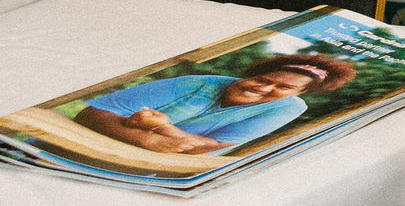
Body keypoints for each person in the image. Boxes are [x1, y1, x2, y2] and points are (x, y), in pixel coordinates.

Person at [71, 51, 355, 156]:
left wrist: (163, 129)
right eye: (264, 78)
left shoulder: (289, 108)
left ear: (297, 94)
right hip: (83, 148)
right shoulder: (196, 83)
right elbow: (90, 114)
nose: (264, 88)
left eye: (283, 87)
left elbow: (216, 149)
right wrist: (148, 140)